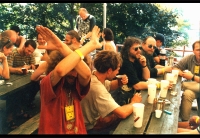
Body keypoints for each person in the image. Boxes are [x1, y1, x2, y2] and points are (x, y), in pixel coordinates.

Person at [36, 25, 102, 134]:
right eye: (70, 68)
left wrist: (61, 47)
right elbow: (61, 70)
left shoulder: (76, 85)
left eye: (75, 69)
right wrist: (90, 45)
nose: (73, 73)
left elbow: (86, 74)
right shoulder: (46, 83)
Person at [80, 50, 142, 134]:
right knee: (123, 119)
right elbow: (122, 113)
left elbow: (109, 85)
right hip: (89, 128)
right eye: (117, 69)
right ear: (109, 71)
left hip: (91, 121)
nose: (118, 72)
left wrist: (119, 82)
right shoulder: (97, 88)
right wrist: (134, 102)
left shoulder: (94, 75)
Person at [114, 37, 150, 105]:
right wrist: (157, 85)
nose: (139, 50)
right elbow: (137, 86)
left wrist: (144, 65)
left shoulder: (136, 60)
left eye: (140, 48)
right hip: (125, 99)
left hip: (134, 95)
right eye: (136, 49)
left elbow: (147, 77)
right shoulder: (125, 63)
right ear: (128, 51)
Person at [173, 40, 200, 121]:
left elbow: (192, 77)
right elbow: (175, 68)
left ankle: (180, 86)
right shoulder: (190, 58)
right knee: (187, 94)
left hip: (194, 85)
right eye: (198, 50)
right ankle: (185, 122)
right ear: (193, 51)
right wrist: (183, 74)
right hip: (194, 88)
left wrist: (192, 77)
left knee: (185, 87)